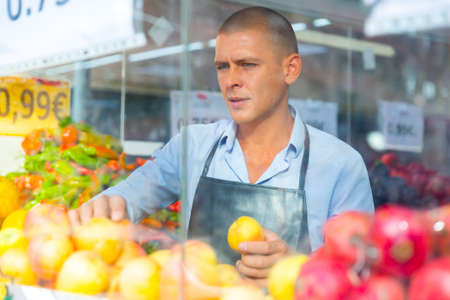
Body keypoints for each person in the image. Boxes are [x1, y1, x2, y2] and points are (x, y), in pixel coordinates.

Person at [69, 6, 374, 286]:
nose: (231, 80)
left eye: (247, 64)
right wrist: (107, 207)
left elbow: (362, 275)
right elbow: (128, 198)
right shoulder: (192, 146)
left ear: (290, 70)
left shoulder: (340, 165)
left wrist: (297, 269)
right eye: (222, 67)